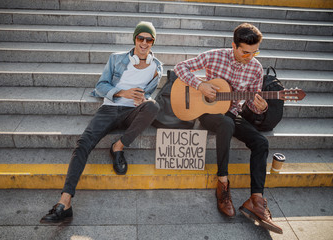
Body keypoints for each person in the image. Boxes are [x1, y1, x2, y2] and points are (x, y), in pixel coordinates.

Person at [40, 21, 163, 223]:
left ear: (153, 43)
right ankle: (65, 202)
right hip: (110, 108)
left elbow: (149, 94)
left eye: (149, 40)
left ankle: (118, 146)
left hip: (133, 112)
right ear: (135, 39)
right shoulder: (116, 59)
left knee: (154, 106)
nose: (144, 42)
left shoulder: (156, 67)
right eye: (140, 38)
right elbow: (100, 86)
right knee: (83, 144)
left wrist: (144, 99)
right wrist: (122, 92)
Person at [174, 23, 282, 234]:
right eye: (245, 52)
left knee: (261, 142)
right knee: (225, 123)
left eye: (254, 52)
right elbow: (180, 67)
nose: (250, 56)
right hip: (208, 113)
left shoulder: (256, 68)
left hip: (232, 112)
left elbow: (251, 102)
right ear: (234, 46)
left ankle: (256, 200)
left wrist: (261, 107)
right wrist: (200, 85)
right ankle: (223, 184)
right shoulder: (214, 56)